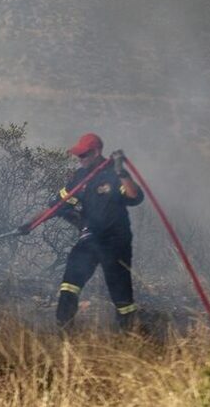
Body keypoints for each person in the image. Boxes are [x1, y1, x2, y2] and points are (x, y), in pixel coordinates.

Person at [50, 132, 145, 330]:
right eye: (78, 155)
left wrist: (122, 172)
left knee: (120, 292)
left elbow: (134, 197)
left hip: (115, 241)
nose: (80, 159)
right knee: (70, 283)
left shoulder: (113, 174)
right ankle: (63, 330)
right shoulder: (80, 177)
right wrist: (28, 225)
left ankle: (131, 333)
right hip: (90, 238)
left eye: (84, 154)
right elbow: (58, 205)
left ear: (96, 152)